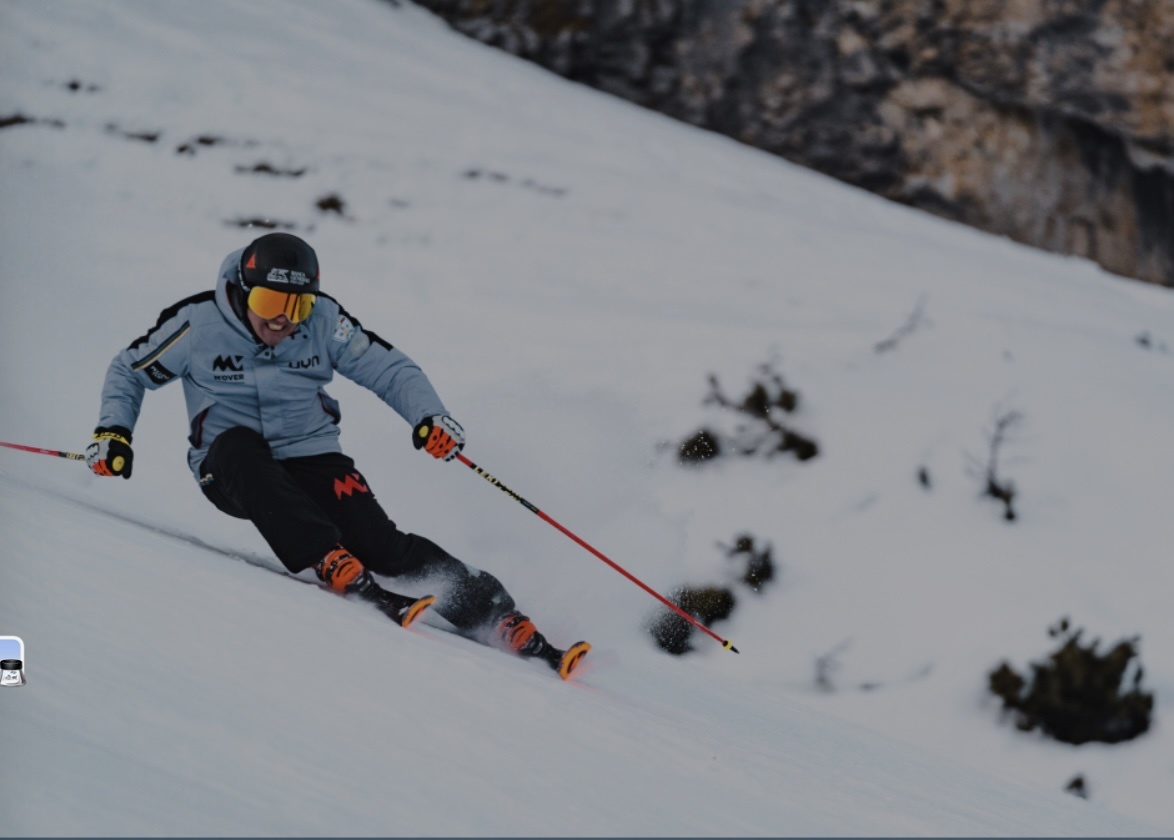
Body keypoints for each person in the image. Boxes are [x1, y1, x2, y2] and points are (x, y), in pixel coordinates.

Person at [87, 232, 584, 675]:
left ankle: (496, 614)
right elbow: (129, 370)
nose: (282, 319)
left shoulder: (324, 321)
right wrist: (114, 432)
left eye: (296, 306)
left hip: (312, 456)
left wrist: (430, 417)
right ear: (241, 291)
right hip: (230, 469)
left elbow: (388, 368)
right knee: (240, 450)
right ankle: (329, 559)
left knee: (384, 546)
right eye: (268, 302)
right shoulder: (197, 324)